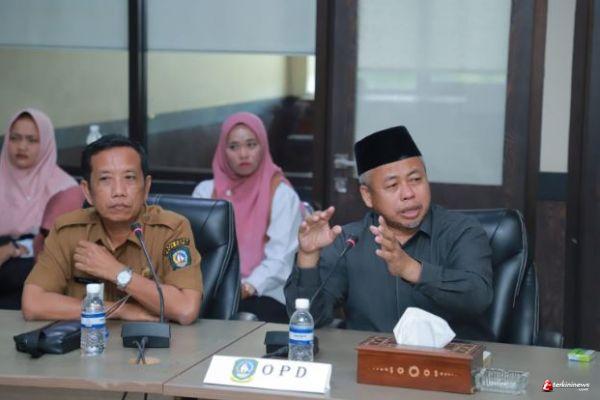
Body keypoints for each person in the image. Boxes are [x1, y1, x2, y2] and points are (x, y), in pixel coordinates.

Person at [285, 126, 494, 339]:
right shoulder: (348, 242)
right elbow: (312, 319)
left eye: (416, 179)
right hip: (371, 357)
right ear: (367, 195)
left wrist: (411, 269)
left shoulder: (462, 231)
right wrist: (308, 257)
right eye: (393, 185)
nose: (408, 193)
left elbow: (478, 297)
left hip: (452, 357)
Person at [21, 135, 203, 325]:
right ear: (87, 191)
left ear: (146, 187)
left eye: (129, 178)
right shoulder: (67, 231)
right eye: (105, 179)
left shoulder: (171, 229)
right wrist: (120, 309)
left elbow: (186, 309)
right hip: (87, 341)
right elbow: (33, 304)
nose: (118, 191)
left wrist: (117, 272)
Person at [192, 112, 302, 323]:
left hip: (264, 292)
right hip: (211, 289)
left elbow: (280, 260)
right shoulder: (205, 192)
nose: (243, 154)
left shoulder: (281, 195)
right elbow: (194, 250)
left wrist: (246, 287)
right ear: (222, 151)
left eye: (251, 145)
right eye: (233, 147)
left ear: (263, 146)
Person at [0, 108, 84, 309]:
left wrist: (13, 249)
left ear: (46, 143)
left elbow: (62, 247)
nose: (22, 146)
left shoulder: (64, 189)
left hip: (35, 274)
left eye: (32, 140)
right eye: (15, 138)